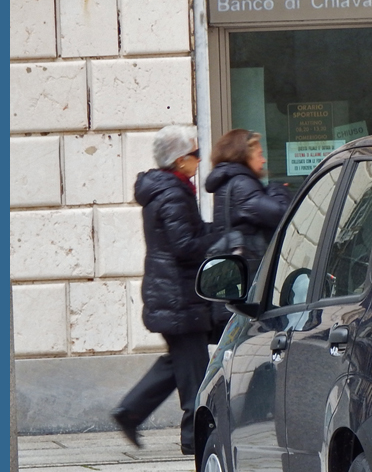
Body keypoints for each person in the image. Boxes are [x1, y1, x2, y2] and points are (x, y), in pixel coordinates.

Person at [112, 125, 220, 453]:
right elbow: (185, 245)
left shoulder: (170, 189)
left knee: (181, 362)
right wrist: (221, 238)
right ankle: (193, 438)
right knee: (194, 369)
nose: (200, 160)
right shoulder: (172, 192)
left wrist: (215, 230)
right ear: (179, 159)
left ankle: (130, 412)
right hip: (177, 296)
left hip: (173, 293)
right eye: (195, 154)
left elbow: (188, 234)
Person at [204, 129, 291, 333]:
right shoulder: (242, 184)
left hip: (236, 282)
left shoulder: (229, 183)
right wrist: (278, 190)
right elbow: (281, 213)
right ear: (243, 155)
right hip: (249, 284)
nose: (264, 160)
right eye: (259, 154)